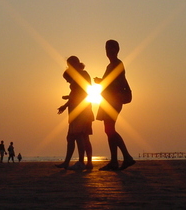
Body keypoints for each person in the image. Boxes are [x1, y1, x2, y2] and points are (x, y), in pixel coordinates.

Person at [94, 40, 135, 171]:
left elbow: (112, 82)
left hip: (113, 101)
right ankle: (115, 160)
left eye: (111, 49)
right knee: (108, 130)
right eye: (107, 49)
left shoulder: (117, 64)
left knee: (110, 129)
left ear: (116, 50)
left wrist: (100, 81)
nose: (108, 52)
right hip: (108, 100)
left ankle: (124, 158)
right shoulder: (111, 65)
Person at [55, 56, 94, 170]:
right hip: (83, 109)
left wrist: (65, 104)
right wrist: (69, 98)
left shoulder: (81, 75)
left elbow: (80, 94)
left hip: (80, 111)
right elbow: (78, 94)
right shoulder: (81, 75)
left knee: (78, 136)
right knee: (81, 136)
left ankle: (81, 162)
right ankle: (85, 163)